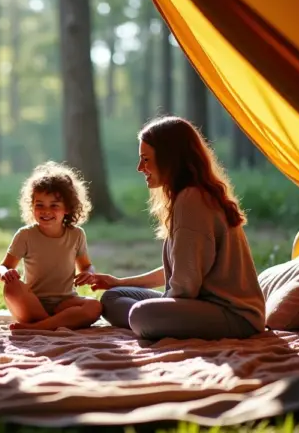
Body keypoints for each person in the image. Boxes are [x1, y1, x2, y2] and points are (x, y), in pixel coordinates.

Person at [79, 116, 265, 340]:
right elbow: (180, 271)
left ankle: (150, 323)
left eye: (146, 159)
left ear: (169, 159)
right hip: (198, 304)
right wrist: (119, 282)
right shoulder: (186, 196)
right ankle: (152, 321)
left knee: (141, 315)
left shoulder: (193, 200)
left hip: (234, 316)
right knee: (112, 297)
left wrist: (163, 308)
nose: (140, 168)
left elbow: (185, 286)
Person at [0, 161, 102, 331]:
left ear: (67, 208)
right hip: (32, 302)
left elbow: (86, 266)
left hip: (65, 302)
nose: (46, 211)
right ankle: (54, 323)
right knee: (12, 288)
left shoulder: (76, 235)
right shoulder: (25, 235)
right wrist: (6, 273)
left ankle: (37, 327)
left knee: (95, 307)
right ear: (32, 207)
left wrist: (89, 274)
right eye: (40, 205)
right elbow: (3, 267)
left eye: (54, 205)